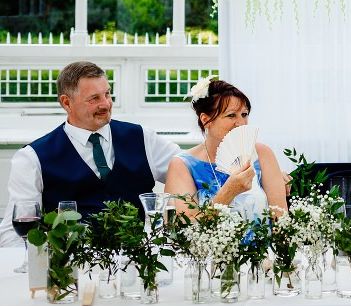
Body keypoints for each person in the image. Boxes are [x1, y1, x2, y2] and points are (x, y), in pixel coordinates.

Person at [0, 61, 180, 246]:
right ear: (67, 102)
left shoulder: (143, 138)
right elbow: (12, 235)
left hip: (138, 263)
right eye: (94, 98)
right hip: (73, 268)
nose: (106, 104)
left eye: (107, 94)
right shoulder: (31, 158)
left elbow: (190, 171)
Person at [164, 77, 286, 220]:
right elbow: (186, 229)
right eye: (231, 115)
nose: (241, 123)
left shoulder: (262, 154)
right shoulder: (183, 165)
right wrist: (228, 192)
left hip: (262, 242)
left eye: (244, 114)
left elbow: (281, 220)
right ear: (206, 120)